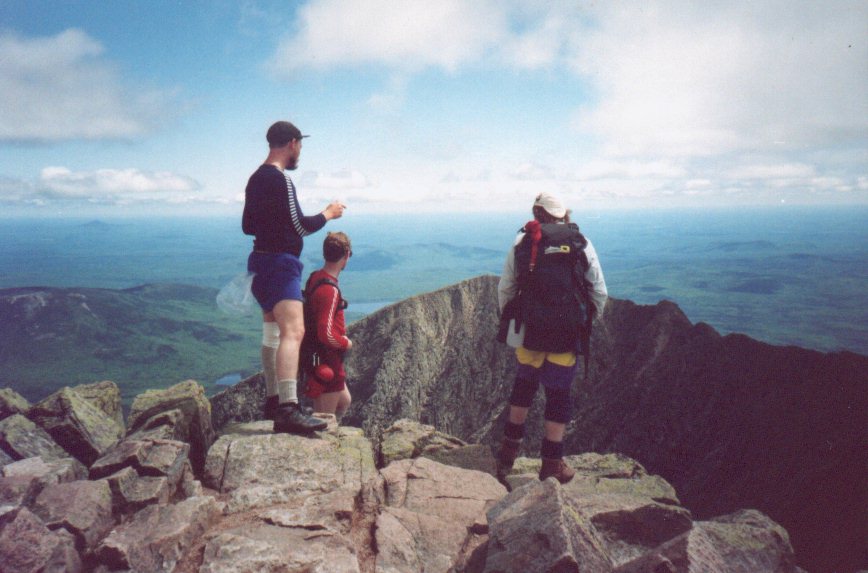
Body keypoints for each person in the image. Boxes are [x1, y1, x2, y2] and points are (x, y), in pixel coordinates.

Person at [496, 192, 608, 483]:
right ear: (563, 214)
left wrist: (508, 320)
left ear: (537, 212)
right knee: (558, 396)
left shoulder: (523, 240)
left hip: (531, 331)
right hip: (565, 333)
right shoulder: (579, 241)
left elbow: (506, 286)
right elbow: (598, 288)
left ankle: (508, 452)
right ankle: (551, 465)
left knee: (524, 386)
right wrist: (587, 321)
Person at [242, 120, 346, 434]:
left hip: (259, 263)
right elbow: (301, 226)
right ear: (292, 143)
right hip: (281, 264)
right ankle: (288, 408)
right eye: (300, 144)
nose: (300, 150)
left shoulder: (254, 179)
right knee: (294, 332)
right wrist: (329, 213)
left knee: (272, 333)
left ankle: (274, 400)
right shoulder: (280, 179)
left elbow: (248, 225)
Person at [303, 232, 353, 420]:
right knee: (324, 419)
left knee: (344, 401)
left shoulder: (315, 277)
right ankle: (324, 446)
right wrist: (346, 343)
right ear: (346, 255)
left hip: (318, 354)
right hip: (327, 358)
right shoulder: (330, 290)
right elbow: (326, 334)